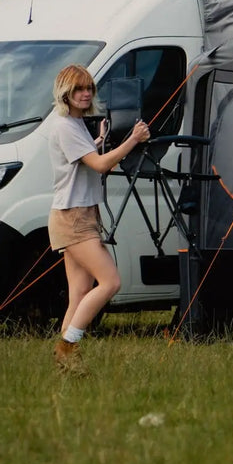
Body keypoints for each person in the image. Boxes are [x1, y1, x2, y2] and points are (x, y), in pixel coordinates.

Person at [48, 65, 151, 373]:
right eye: (79, 89)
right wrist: (133, 139)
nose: (85, 93)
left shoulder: (75, 124)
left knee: (79, 292)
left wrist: (100, 138)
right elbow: (99, 166)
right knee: (111, 281)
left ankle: (62, 360)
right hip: (73, 217)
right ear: (65, 93)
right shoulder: (65, 125)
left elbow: (81, 159)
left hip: (80, 213)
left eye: (89, 88)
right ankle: (68, 346)